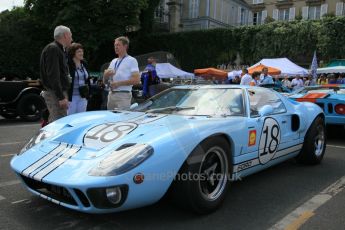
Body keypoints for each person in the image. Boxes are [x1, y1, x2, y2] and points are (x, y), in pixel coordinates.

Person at [40, 25, 72, 123]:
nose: (72, 38)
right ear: (65, 35)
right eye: (71, 35)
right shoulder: (53, 49)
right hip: (55, 93)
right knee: (58, 123)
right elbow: (53, 75)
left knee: (58, 121)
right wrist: (61, 97)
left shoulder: (56, 49)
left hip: (56, 93)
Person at [103, 36, 140, 110]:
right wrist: (105, 75)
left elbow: (136, 80)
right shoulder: (113, 61)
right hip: (111, 95)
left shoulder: (132, 60)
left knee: (121, 120)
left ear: (125, 46)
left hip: (123, 95)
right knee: (110, 120)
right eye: (115, 45)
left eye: (118, 45)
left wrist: (118, 84)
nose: (116, 47)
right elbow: (105, 82)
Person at [67, 43, 90, 115]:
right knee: (70, 119)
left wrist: (88, 94)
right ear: (73, 53)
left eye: (82, 51)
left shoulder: (84, 63)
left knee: (81, 118)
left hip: (83, 96)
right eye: (79, 51)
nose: (81, 53)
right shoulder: (68, 64)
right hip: (71, 97)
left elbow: (87, 79)